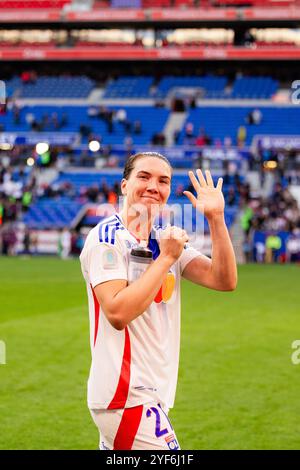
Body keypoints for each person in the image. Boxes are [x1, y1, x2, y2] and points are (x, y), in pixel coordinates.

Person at [80, 152, 237, 450]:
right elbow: (116, 312)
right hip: (127, 396)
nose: (154, 186)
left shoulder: (164, 239)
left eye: (163, 181)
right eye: (144, 177)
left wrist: (216, 218)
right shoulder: (107, 239)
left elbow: (224, 280)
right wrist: (166, 258)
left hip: (147, 394)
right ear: (124, 185)